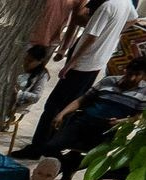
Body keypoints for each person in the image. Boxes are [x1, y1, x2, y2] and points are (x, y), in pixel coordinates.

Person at [26, 0, 139, 154]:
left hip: (84, 63)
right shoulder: (125, 3)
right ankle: (52, 145)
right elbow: (133, 19)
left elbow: (91, 37)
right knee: (69, 104)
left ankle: (40, 147)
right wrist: (112, 33)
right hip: (96, 62)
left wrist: (71, 63)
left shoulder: (107, 6)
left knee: (55, 105)